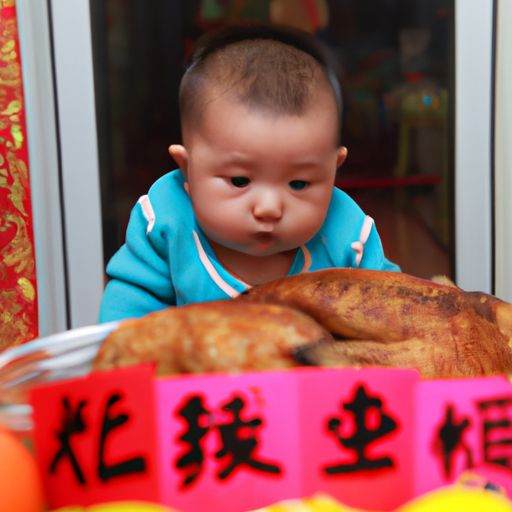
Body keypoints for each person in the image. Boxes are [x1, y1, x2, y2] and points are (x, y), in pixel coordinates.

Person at [99, 23, 399, 323]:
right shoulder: (166, 224)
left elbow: (396, 312)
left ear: (334, 170)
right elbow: (126, 320)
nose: (269, 208)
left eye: (298, 183)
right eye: (239, 181)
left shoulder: (348, 239)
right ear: (187, 170)